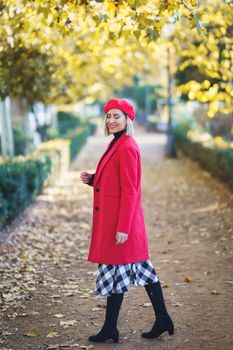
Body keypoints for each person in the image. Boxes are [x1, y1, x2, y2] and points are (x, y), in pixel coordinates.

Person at [80, 98, 174, 343]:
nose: (111, 120)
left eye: (116, 116)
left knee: (122, 271)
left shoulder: (127, 146)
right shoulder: (117, 143)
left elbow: (130, 191)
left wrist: (122, 227)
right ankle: (152, 320)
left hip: (122, 224)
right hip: (117, 222)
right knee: (126, 272)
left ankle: (118, 327)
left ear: (127, 120)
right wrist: (93, 179)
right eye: (109, 116)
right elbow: (115, 180)